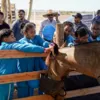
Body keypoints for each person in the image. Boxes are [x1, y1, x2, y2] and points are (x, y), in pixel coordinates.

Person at [0, 29, 52, 100]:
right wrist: (43, 49)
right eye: (12, 36)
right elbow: (26, 47)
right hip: (7, 76)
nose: (14, 37)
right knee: (7, 96)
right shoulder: (10, 46)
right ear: (5, 39)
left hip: (3, 75)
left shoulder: (2, 47)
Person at [18, 23, 51, 98]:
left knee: (35, 85)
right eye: (31, 32)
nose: (33, 34)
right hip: (25, 67)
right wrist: (43, 49)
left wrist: (49, 45)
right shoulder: (22, 41)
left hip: (36, 66)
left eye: (34, 31)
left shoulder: (37, 37)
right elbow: (30, 47)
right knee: (25, 87)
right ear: (25, 33)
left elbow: (43, 42)